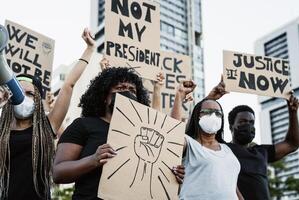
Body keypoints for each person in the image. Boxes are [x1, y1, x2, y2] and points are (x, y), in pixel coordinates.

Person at [53, 67, 184, 200]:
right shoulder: (83, 125)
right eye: (120, 88)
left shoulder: (146, 136)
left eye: (132, 90)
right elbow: (58, 173)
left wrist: (171, 175)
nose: (127, 92)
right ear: (104, 96)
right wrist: (93, 160)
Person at [0, 28, 95, 200]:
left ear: (38, 101)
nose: (23, 98)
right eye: (18, 93)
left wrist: (89, 49)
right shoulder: (1, 130)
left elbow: (68, 85)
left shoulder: (47, 125)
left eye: (29, 94)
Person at [207, 77, 299, 200]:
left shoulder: (262, 152)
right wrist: (211, 99)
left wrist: (292, 112)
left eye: (251, 122)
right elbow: (196, 132)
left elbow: (292, 143)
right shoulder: (222, 148)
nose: (248, 125)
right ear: (231, 126)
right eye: (243, 121)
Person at [179, 98, 243, 200]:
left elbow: (232, 186)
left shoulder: (227, 149)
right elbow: (172, 134)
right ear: (197, 116)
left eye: (218, 113)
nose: (213, 116)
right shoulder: (189, 143)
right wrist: (180, 96)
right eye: (207, 112)